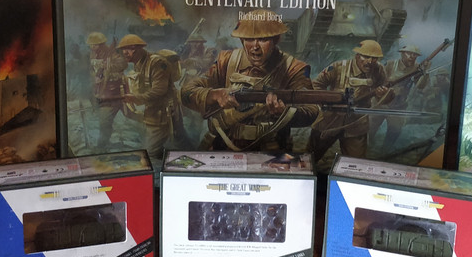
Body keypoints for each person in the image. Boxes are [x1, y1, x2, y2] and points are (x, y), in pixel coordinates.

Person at [180, 11, 317, 152]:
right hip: (225, 146)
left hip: (272, 150)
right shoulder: (225, 61)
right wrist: (215, 95)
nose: (255, 46)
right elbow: (187, 92)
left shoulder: (293, 68)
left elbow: (311, 110)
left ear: (276, 39)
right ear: (241, 40)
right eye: (249, 39)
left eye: (263, 39)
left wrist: (285, 112)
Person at [310, 40, 392, 162]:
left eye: (374, 58)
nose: (370, 61)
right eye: (366, 56)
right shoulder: (337, 67)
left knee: (356, 164)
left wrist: (383, 94)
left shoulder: (379, 70)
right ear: (357, 55)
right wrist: (327, 103)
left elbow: (387, 98)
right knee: (309, 159)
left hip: (356, 124)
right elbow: (316, 85)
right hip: (329, 121)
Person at [117, 34, 176, 161]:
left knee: (151, 153)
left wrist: (136, 98)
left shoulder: (157, 63)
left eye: (130, 49)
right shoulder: (138, 64)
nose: (125, 52)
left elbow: (159, 90)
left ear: (139, 49)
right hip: (151, 114)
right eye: (123, 49)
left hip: (163, 114)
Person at [368, 44, 430, 151]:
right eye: (409, 53)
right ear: (402, 54)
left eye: (414, 54)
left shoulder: (417, 68)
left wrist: (425, 72)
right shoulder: (390, 64)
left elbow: (421, 86)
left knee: (395, 130)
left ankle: (385, 151)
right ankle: (368, 147)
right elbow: (377, 81)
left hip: (399, 106)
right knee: (370, 128)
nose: (412, 57)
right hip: (381, 103)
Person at [86, 31, 128, 151]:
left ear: (102, 44)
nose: (93, 47)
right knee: (104, 120)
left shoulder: (112, 54)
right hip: (99, 92)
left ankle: (102, 146)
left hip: (112, 93)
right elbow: (91, 70)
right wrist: (94, 77)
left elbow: (123, 65)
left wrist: (107, 67)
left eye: (95, 45)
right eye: (91, 45)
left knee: (105, 121)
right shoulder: (92, 55)